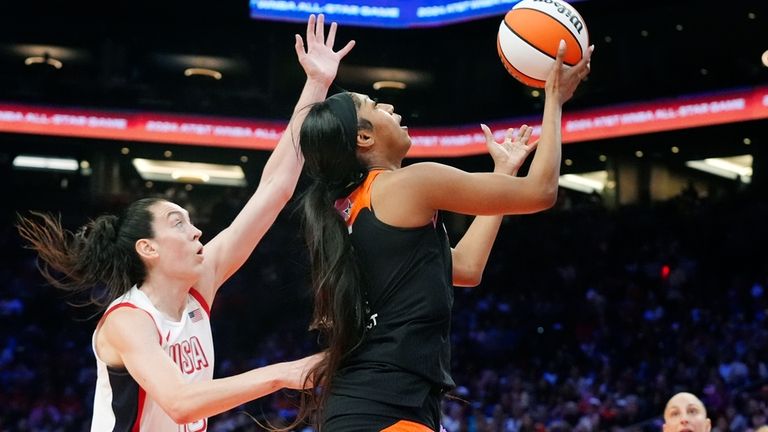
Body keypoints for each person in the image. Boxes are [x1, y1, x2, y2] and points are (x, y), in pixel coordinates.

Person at [15, 14, 354, 432]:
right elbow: (180, 402)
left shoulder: (199, 285)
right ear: (148, 247)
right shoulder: (128, 319)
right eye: (178, 223)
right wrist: (285, 373)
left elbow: (274, 189)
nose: (196, 231)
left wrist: (316, 85)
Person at [294, 39, 593, 431]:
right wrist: (554, 100)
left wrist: (502, 176)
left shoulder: (353, 206)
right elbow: (541, 193)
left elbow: (466, 268)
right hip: (385, 408)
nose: (388, 107)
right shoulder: (409, 183)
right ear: (363, 138)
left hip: (369, 408)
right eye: (374, 106)